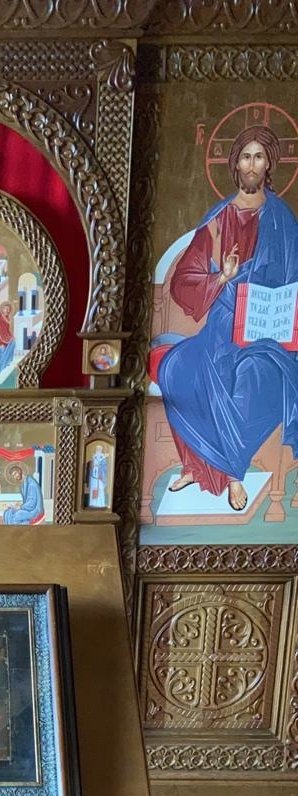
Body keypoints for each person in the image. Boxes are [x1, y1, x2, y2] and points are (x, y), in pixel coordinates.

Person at [157, 124, 298, 512]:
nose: (251, 164)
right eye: (245, 157)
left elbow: (294, 278)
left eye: (259, 157)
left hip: (267, 332)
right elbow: (184, 279)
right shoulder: (218, 219)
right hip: (221, 327)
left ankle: (230, 470)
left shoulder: (282, 220)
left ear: (269, 165)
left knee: (253, 379)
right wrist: (222, 277)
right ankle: (202, 467)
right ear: (235, 164)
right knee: (177, 369)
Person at [86, 443, 109, 508]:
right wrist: (92, 466)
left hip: (100, 477)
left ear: (101, 450)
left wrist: (101, 473)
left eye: (99, 449)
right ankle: (93, 503)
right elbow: (90, 467)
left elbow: (104, 467)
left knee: (100, 489)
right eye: (97, 449)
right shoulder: (93, 457)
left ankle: (100, 503)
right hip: (93, 477)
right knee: (94, 489)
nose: (98, 450)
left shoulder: (103, 458)